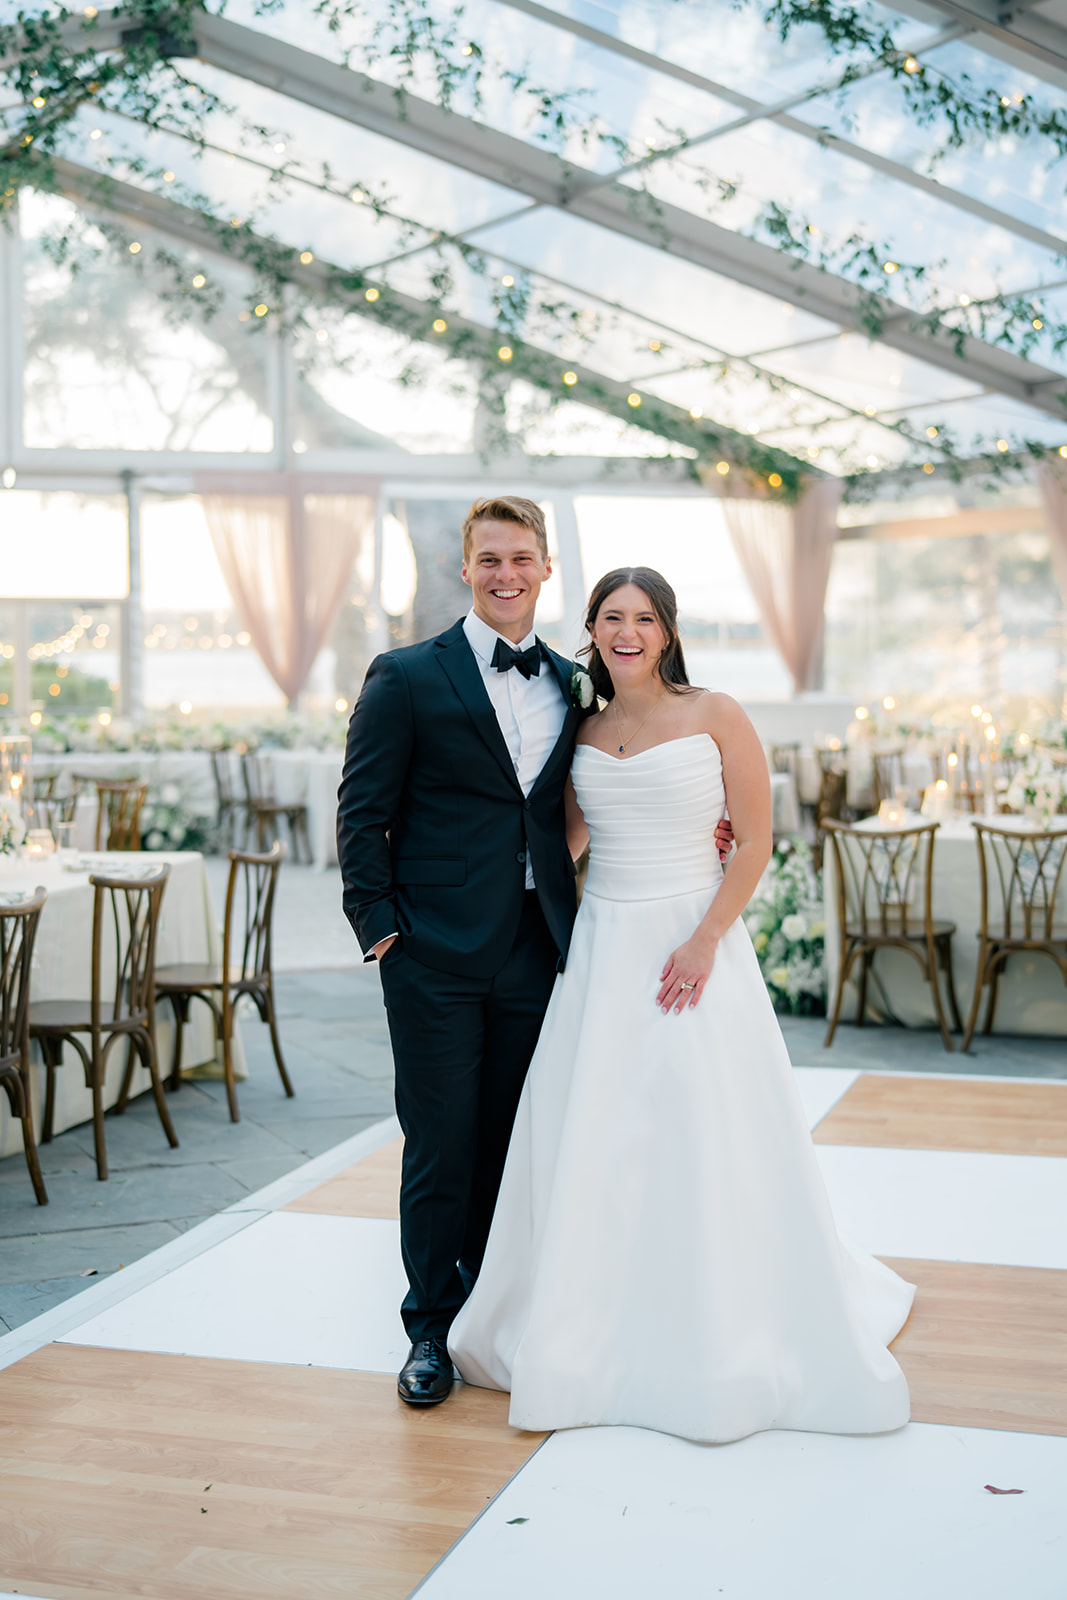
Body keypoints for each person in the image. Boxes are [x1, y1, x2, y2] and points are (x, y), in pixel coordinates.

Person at [448, 566, 914, 1443]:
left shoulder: (716, 714)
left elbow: (757, 840)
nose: (628, 632)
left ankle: (715, 1321)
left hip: (690, 941)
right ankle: (592, 1315)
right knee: (596, 1132)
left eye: (645, 618)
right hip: (602, 946)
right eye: (612, 617)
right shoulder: (580, 724)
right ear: (591, 628)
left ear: (666, 632)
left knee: (701, 1125)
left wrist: (702, 939)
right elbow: (568, 839)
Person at [337, 500, 726, 1406]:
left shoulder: (571, 682)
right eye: (487, 559)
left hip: (539, 949)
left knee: (518, 1141)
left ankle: (497, 1316)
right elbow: (361, 815)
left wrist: (693, 826)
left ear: (546, 568)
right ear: (463, 568)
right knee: (439, 1143)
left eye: (521, 558)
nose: (504, 574)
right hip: (429, 953)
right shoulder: (403, 676)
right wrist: (383, 931)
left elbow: (577, 809)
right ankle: (431, 1330)